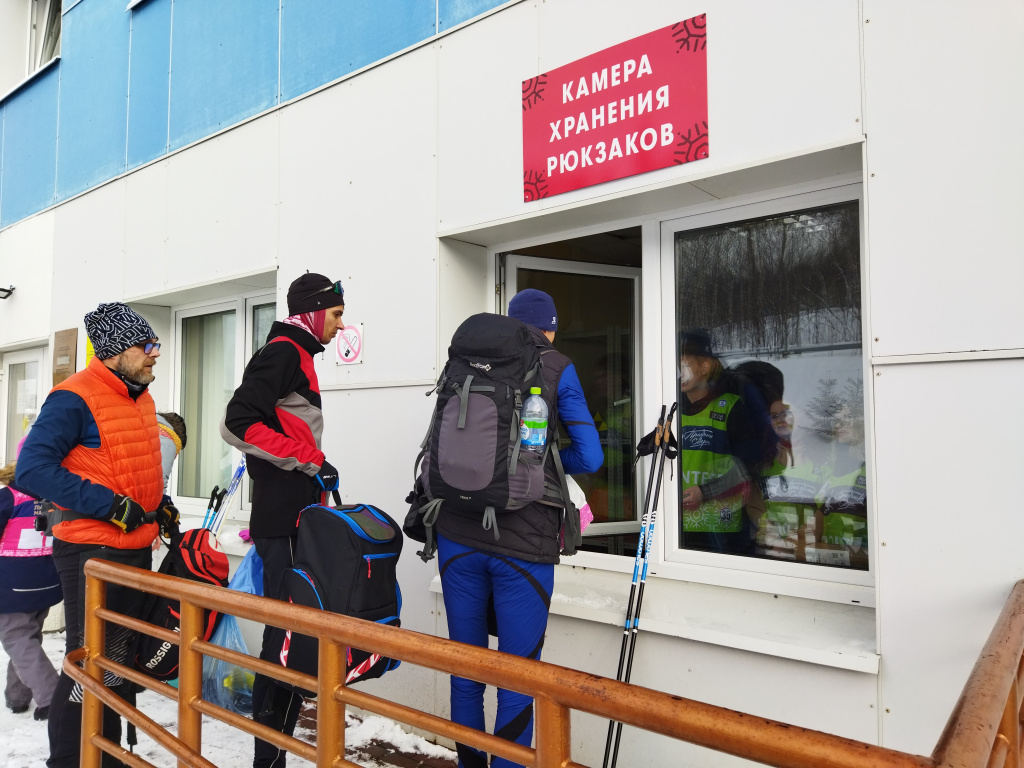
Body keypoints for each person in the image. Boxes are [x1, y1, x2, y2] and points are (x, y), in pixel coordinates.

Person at [434, 289, 603, 768]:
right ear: (549, 328)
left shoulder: (464, 362)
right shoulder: (556, 366)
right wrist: (542, 463)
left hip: (456, 533)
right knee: (517, 676)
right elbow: (590, 456)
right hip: (523, 543)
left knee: (465, 670)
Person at [15, 302, 175, 768]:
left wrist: (156, 505)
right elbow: (31, 470)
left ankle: (102, 754)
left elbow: (126, 465)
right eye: (147, 346)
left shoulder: (137, 395)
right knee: (88, 661)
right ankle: (69, 760)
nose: (155, 354)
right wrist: (111, 505)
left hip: (134, 547)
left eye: (156, 345)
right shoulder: (73, 397)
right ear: (114, 351)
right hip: (91, 549)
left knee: (118, 660)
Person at [220, 272, 346, 768]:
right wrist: (309, 460)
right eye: (335, 314)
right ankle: (268, 758)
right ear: (313, 311)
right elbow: (237, 422)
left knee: (294, 636)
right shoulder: (284, 353)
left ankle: (273, 754)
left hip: (295, 515)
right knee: (286, 638)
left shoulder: (297, 355)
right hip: (284, 519)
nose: (341, 325)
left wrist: (311, 464)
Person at [677, 329, 768, 556]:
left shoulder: (732, 408)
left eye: (684, 365)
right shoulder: (670, 408)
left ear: (705, 367)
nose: (679, 372)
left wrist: (704, 492)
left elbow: (748, 469)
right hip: (676, 529)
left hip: (721, 529)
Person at [0, 456, 61, 721]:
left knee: (18, 639)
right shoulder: (56, 497)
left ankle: (53, 697)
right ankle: (17, 696)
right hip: (47, 582)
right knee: (28, 638)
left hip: (13, 585)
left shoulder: (9, 497)